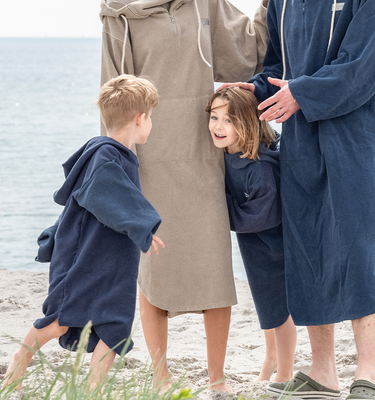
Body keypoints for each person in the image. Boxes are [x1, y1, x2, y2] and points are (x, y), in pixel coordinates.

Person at [99, 0, 269, 393]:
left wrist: (266, 6)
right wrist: (118, 165)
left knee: (213, 264)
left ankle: (217, 379)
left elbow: (245, 54)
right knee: (154, 267)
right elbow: (113, 95)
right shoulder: (117, 12)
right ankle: (161, 376)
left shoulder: (203, 2)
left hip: (201, 152)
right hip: (149, 158)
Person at [220, 0, 375, 398]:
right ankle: (323, 372)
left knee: (359, 251)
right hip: (301, 141)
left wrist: (302, 93)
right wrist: (254, 88)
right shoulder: (284, 2)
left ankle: (369, 371)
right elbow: (279, 69)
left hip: (356, 133)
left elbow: (361, 66)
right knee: (308, 249)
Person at [4, 75, 164, 392]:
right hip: (86, 256)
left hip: (114, 258)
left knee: (115, 325)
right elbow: (104, 192)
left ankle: (91, 390)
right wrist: (142, 223)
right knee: (61, 318)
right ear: (140, 118)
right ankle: (15, 370)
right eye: (151, 117)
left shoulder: (113, 153)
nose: (151, 124)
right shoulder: (105, 156)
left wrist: (137, 229)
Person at [206, 87, 296, 383]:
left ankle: (284, 373)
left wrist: (222, 209)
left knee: (279, 311)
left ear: (247, 123)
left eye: (229, 120)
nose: (218, 126)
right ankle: (270, 358)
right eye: (214, 117)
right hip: (254, 246)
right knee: (265, 306)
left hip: (274, 246)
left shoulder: (260, 168)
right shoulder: (227, 155)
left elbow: (263, 213)